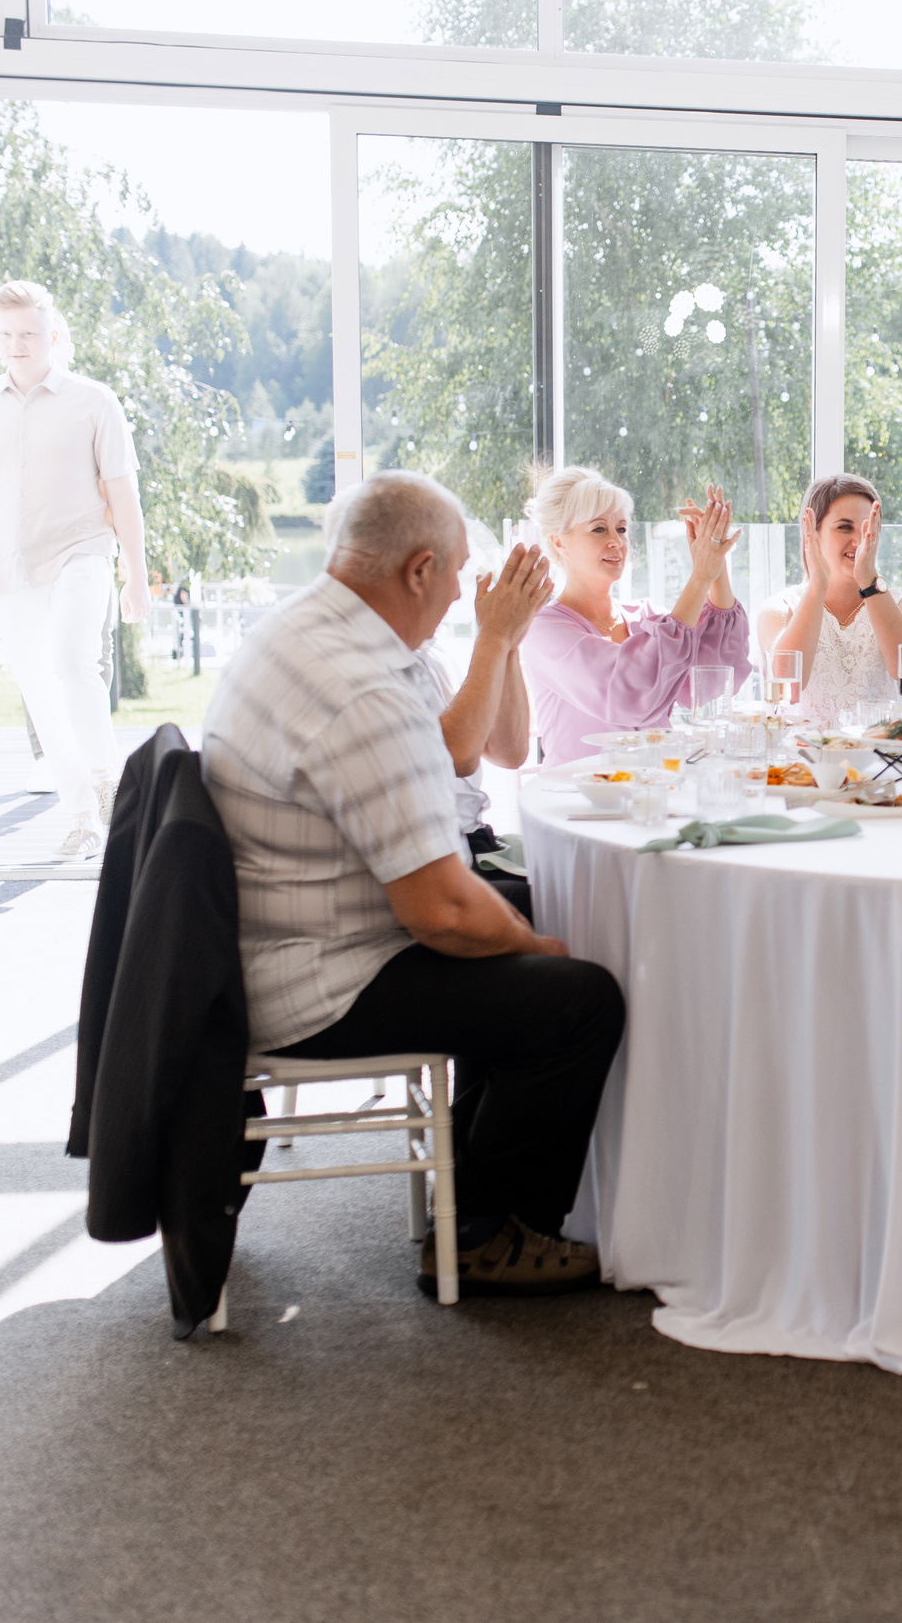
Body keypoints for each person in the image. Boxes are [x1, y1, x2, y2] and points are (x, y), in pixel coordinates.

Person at [202, 470, 624, 1298]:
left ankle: (467, 1184)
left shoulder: (321, 630)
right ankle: (488, 1232)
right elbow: (438, 911)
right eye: (460, 571)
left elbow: (477, 762)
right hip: (324, 974)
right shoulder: (357, 686)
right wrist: (535, 948)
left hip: (289, 933)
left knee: (551, 925)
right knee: (578, 998)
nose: (468, 590)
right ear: (418, 569)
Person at [0, 280, 150, 859]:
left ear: (54, 336)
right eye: (6, 334)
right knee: (38, 688)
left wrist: (135, 574)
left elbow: (123, 492)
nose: (16, 344)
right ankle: (83, 816)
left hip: (82, 552)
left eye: (29, 333)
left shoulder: (94, 401)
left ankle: (109, 783)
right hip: (9, 566)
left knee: (71, 662)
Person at [518, 465, 753, 755]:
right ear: (559, 541)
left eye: (621, 528)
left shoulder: (646, 617)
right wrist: (700, 577)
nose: (616, 541)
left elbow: (711, 681)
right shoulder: (545, 631)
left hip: (657, 788)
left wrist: (715, 564)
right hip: (580, 795)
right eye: (599, 529)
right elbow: (630, 693)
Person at [431, 541, 548, 920]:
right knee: (573, 896)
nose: (459, 592)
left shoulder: (430, 654)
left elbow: (509, 752)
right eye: (454, 571)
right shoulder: (383, 661)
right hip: (447, 857)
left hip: (476, 840)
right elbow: (458, 756)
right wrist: (493, 637)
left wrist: (509, 641)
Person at [756, 473, 902, 720]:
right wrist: (817, 587)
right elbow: (787, 686)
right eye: (844, 527)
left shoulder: (901, 606)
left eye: (868, 528)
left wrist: (869, 580)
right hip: (803, 755)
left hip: (881, 755)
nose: (858, 541)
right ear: (813, 535)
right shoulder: (780, 609)